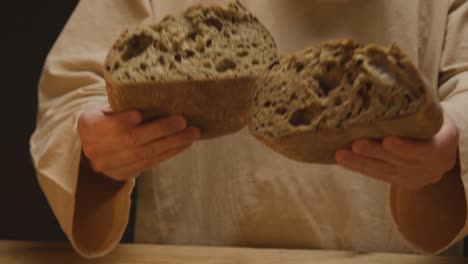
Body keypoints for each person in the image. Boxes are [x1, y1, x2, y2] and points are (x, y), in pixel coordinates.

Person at [31, 0, 468, 259]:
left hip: (381, 254)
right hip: (198, 253)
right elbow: (75, 92)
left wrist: (452, 145)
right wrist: (96, 145)